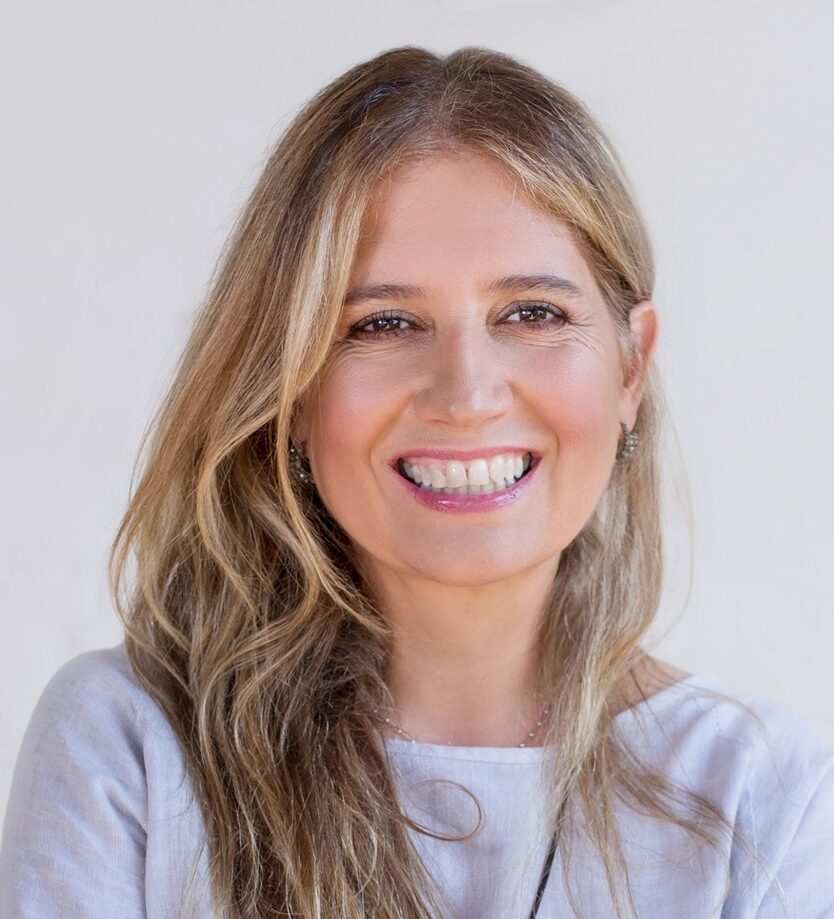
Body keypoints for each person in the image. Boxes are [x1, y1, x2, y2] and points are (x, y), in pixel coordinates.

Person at [1, 45, 832, 919]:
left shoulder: (764, 798)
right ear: (288, 388)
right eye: (384, 323)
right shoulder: (127, 749)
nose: (466, 395)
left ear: (631, 369)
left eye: (533, 313)